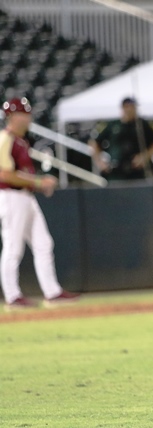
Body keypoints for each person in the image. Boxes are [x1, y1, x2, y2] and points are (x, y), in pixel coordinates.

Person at [0, 97, 80, 311]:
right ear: (12, 116)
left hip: (25, 196)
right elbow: (4, 174)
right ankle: (12, 296)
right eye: (23, 113)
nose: (27, 117)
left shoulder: (21, 141)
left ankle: (52, 292)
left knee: (44, 243)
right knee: (12, 246)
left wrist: (38, 184)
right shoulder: (5, 138)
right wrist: (38, 181)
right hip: (10, 196)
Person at [88, 97, 153, 181]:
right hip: (115, 170)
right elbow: (94, 143)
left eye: (133, 107)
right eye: (129, 106)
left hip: (137, 171)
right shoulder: (113, 124)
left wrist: (144, 156)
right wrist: (100, 162)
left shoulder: (142, 125)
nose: (131, 110)